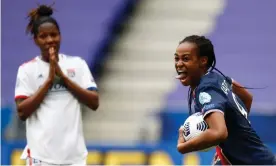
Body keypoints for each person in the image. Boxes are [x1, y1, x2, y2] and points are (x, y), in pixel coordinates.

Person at [14, 4, 99, 165]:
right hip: (41, 158)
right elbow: (22, 112)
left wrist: (64, 79)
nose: (50, 40)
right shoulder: (27, 70)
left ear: (60, 36)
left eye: (54, 35)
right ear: (36, 40)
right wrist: (48, 82)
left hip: (74, 158)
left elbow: (94, 102)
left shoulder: (78, 65)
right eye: (43, 36)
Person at [175, 35, 276, 165]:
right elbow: (247, 98)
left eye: (186, 59)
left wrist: (184, 147)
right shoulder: (218, 78)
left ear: (203, 61)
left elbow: (219, 133)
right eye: (176, 58)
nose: (179, 64)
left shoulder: (206, 89)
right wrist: (237, 126)